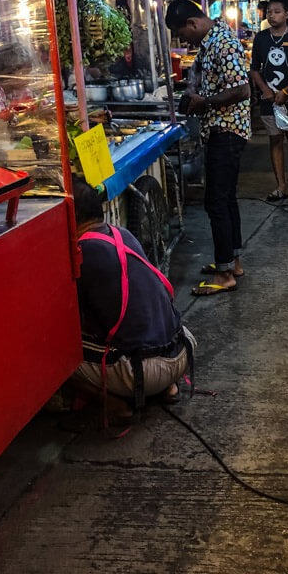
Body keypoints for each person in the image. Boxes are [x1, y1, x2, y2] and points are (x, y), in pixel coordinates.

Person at [69, 176, 195, 423]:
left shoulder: (83, 252)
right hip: (182, 350)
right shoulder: (122, 233)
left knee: (53, 356)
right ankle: (167, 387)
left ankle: (115, 405)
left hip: (144, 371)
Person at [165, 0, 251, 296]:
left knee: (216, 202)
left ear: (193, 23)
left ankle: (226, 274)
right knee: (226, 200)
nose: (183, 40)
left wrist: (205, 103)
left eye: (182, 34)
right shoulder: (211, 41)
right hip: (220, 129)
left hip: (226, 130)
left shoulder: (222, 42)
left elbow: (242, 88)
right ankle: (232, 262)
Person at [249, 0, 288, 201]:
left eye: (276, 11)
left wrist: (287, 91)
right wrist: (265, 90)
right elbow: (254, 69)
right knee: (275, 138)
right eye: (269, 12)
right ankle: (281, 185)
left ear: (287, 14)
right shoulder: (261, 38)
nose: (271, 15)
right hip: (270, 100)